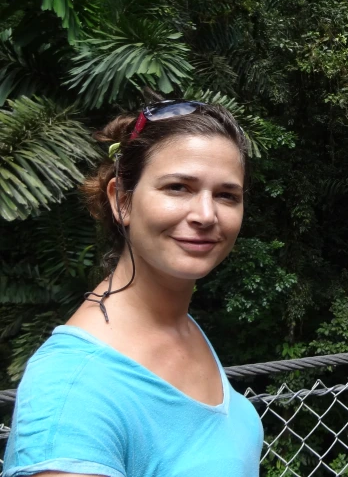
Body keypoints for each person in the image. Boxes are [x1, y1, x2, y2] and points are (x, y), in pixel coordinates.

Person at [3, 100, 263, 477]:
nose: (206, 215)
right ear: (121, 200)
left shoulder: (181, 327)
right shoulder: (74, 387)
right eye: (178, 187)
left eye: (227, 195)